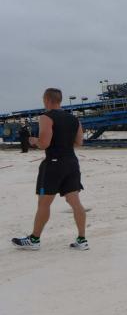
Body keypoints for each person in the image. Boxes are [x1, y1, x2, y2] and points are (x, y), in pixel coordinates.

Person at [11, 88, 88, 251]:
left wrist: (34, 141)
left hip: (53, 164)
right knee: (75, 202)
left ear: (47, 99)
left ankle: (34, 239)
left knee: (44, 203)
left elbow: (44, 144)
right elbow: (79, 142)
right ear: (60, 100)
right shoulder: (74, 119)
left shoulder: (46, 117)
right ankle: (82, 240)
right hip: (71, 162)